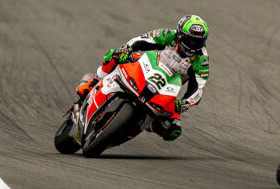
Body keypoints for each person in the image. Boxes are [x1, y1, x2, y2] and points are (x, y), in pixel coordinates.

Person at [74, 15, 211, 141]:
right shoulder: (168, 35)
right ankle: (92, 83)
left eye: (198, 41)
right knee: (116, 55)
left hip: (165, 88)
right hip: (145, 67)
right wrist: (127, 49)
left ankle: (147, 124)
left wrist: (184, 103)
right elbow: (140, 40)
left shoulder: (202, 60)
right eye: (190, 40)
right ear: (180, 35)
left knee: (173, 130)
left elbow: (198, 89)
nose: (193, 44)